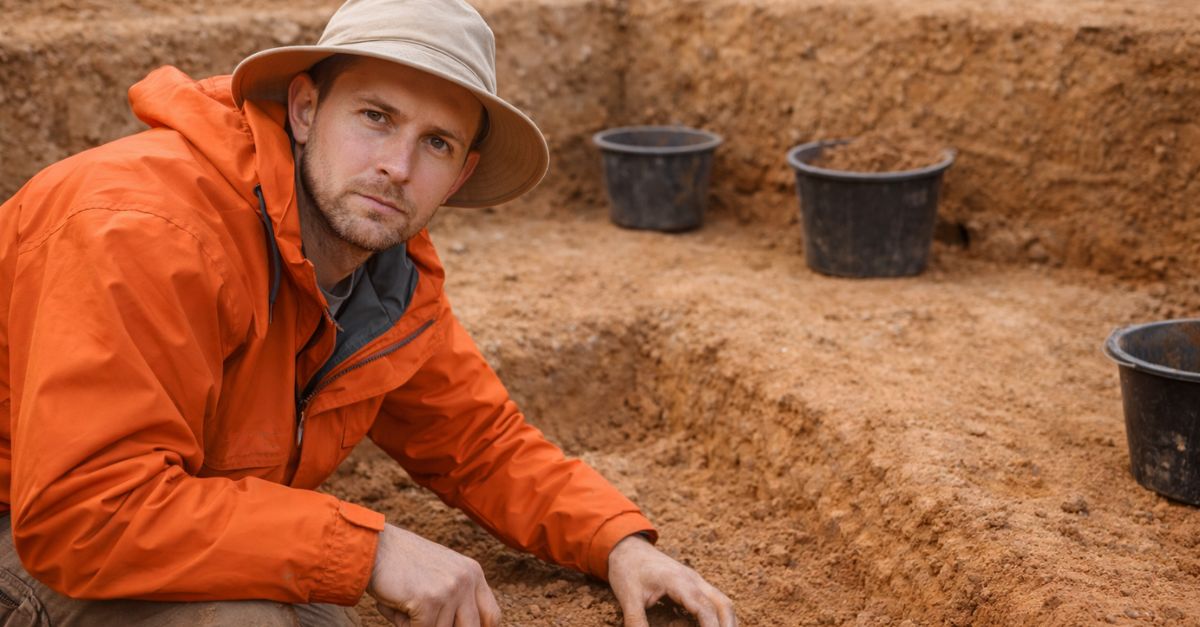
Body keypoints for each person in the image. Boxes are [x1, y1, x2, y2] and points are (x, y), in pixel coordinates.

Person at [0, 0, 737, 626]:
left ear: (461, 175)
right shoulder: (144, 229)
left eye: (436, 143)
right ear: (305, 108)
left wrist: (618, 543)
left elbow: (477, 439)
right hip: (34, 519)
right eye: (376, 117)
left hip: (151, 515)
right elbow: (84, 510)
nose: (398, 166)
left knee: (318, 610)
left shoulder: (383, 275)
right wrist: (375, 546)